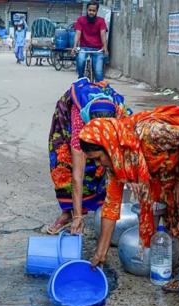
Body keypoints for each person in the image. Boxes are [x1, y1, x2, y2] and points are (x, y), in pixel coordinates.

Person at [79, 105, 179, 266]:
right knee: (168, 218)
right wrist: (100, 253)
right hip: (164, 169)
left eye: (98, 158)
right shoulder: (117, 160)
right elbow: (111, 207)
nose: (99, 164)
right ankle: (177, 263)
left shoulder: (151, 134)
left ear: (108, 146)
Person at [47, 78, 130, 235]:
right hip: (67, 120)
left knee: (103, 163)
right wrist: (78, 216)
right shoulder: (79, 121)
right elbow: (78, 174)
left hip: (106, 110)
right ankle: (68, 213)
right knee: (63, 161)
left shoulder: (121, 117)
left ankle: (100, 207)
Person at [71, 1, 108, 82]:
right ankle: (81, 79)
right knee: (80, 60)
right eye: (90, 10)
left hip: (98, 49)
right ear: (87, 10)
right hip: (84, 47)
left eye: (93, 11)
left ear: (97, 11)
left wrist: (105, 47)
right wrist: (74, 46)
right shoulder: (81, 20)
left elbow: (103, 34)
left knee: (98, 73)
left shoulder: (101, 21)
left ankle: (99, 91)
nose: (91, 12)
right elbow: (78, 33)